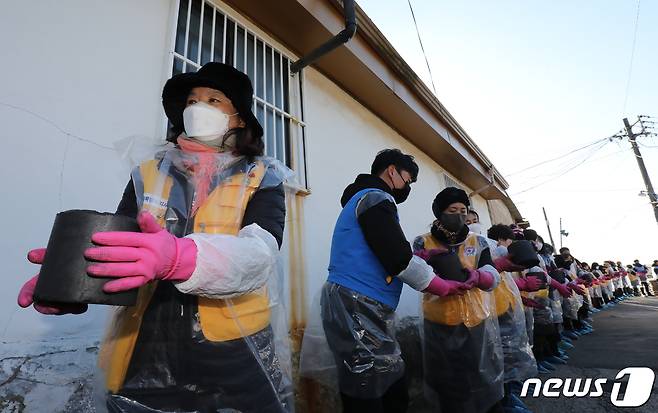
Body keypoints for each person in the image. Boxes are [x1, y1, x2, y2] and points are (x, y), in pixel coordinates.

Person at [18, 62, 293, 412]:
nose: (198, 108)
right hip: (149, 339)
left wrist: (180, 258)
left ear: (239, 119)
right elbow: (119, 239)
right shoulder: (148, 171)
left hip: (234, 342)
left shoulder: (262, 176)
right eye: (193, 100)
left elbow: (260, 253)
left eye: (213, 101)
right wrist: (72, 279)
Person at [321, 149, 470, 413]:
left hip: (356, 300)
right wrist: (441, 285)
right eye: (408, 180)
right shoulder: (376, 198)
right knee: (368, 385)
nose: (408, 187)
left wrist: (421, 256)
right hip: (358, 302)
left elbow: (380, 247)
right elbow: (396, 257)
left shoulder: (363, 199)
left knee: (382, 375)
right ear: (392, 171)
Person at [413, 187, 504, 413]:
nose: (459, 215)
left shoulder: (479, 242)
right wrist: (424, 264)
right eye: (452, 210)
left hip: (475, 322)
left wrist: (478, 276)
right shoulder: (422, 242)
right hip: (439, 323)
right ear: (440, 213)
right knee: (446, 380)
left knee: (479, 374)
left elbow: (493, 278)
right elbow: (413, 273)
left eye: (463, 210)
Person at [487, 224, 538, 413]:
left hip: (508, 309)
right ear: (501, 240)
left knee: (511, 355)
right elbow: (487, 278)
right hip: (495, 313)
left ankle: (510, 393)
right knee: (499, 358)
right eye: (510, 241)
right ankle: (504, 400)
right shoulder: (489, 250)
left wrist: (521, 296)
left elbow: (506, 283)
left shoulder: (503, 255)